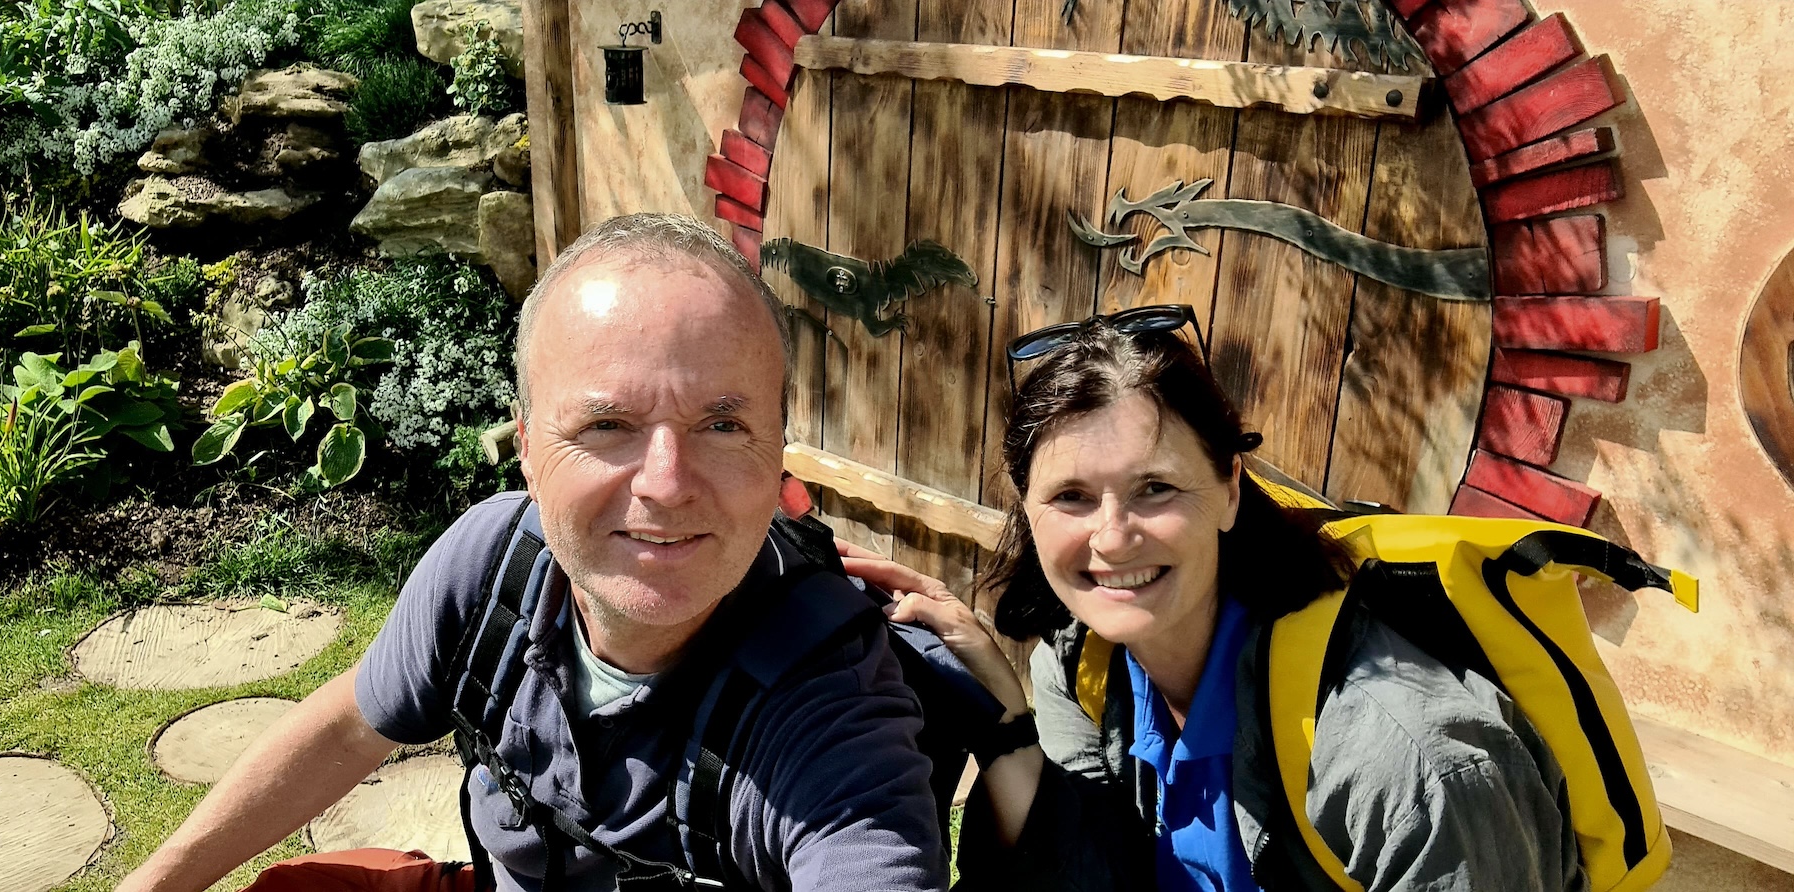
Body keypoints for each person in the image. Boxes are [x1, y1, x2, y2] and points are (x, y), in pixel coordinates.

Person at [116, 214, 947, 892]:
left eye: (723, 425)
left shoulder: (829, 704)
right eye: (607, 427)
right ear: (526, 449)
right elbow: (348, 724)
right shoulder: (494, 565)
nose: (665, 483)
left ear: (778, 453)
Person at [841, 306, 1584, 891]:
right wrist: (1005, 726)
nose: (1112, 538)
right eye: (1071, 496)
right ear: (1025, 508)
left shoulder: (1409, 767)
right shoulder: (1085, 671)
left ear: (1232, 487)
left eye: (1155, 488)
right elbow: (1079, 875)